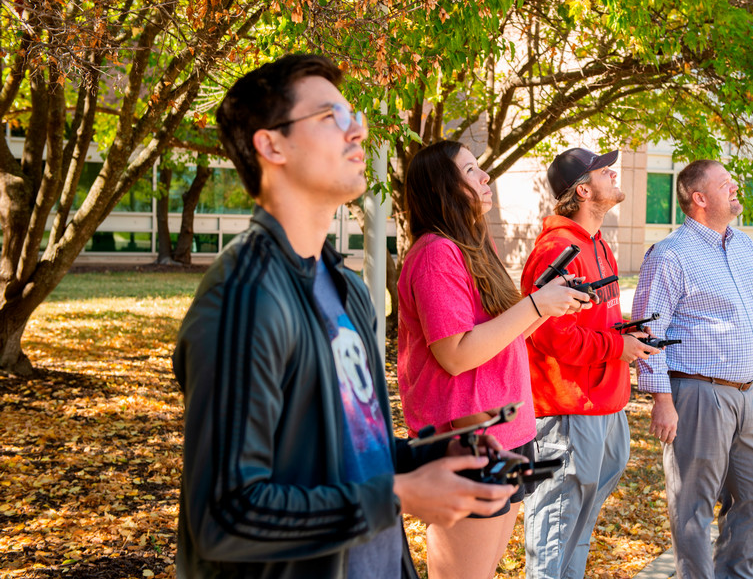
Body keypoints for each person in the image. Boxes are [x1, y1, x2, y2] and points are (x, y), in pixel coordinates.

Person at [172, 54, 518, 579]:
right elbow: (226, 514)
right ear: (272, 145)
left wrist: (429, 456)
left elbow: (349, 452)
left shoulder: (348, 290)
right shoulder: (245, 296)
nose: (357, 129)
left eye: (352, 114)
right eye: (331, 117)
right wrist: (398, 494)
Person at [397, 139, 592, 579]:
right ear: (443, 188)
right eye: (470, 171)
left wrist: (551, 305)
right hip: (468, 437)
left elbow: (501, 338)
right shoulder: (435, 253)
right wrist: (537, 304)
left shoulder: (474, 246)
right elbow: (455, 354)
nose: (485, 177)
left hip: (509, 431)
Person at [632, 158, 753, 579]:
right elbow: (648, 332)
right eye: (725, 184)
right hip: (698, 394)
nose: (735, 189)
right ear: (699, 199)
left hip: (751, 395)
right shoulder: (670, 255)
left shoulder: (743, 245)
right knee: (693, 503)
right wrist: (662, 399)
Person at [520, 147, 660, 579]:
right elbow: (548, 334)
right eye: (603, 171)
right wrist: (617, 348)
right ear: (583, 190)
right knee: (554, 531)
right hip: (567, 411)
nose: (613, 172)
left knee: (576, 530)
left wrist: (627, 334)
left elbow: (598, 321)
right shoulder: (556, 250)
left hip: (607, 405)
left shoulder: (598, 243)